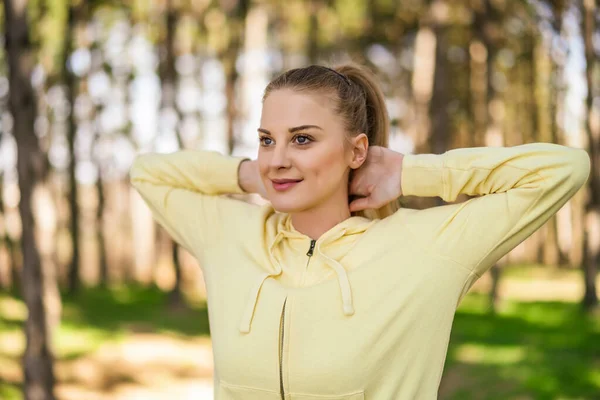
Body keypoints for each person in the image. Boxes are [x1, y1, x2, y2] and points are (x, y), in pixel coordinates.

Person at [130, 63, 590, 399]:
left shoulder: (426, 248)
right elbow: (147, 174)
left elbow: (563, 169)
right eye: (267, 139)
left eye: (303, 139)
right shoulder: (230, 236)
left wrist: (411, 173)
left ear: (357, 151)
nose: (279, 156)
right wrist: (254, 174)